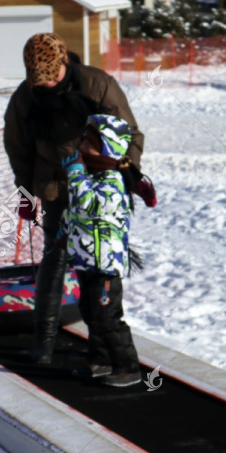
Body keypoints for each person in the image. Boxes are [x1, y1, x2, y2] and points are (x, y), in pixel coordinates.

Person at [3, 32, 149, 365]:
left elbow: (129, 133)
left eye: (52, 77)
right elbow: (18, 149)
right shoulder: (26, 98)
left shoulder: (97, 85)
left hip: (98, 188)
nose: (48, 85)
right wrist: (25, 193)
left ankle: (103, 351)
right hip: (56, 186)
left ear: (64, 62)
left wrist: (124, 173)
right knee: (54, 260)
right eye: (40, 81)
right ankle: (44, 343)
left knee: (97, 266)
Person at [60, 115, 141, 387]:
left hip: (106, 265)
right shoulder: (92, 175)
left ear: (107, 149)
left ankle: (128, 366)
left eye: (90, 144)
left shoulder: (113, 181)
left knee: (108, 316)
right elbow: (75, 213)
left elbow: (89, 206)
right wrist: (63, 235)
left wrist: (75, 173)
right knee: (91, 312)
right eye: (83, 141)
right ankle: (100, 360)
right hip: (87, 261)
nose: (82, 147)